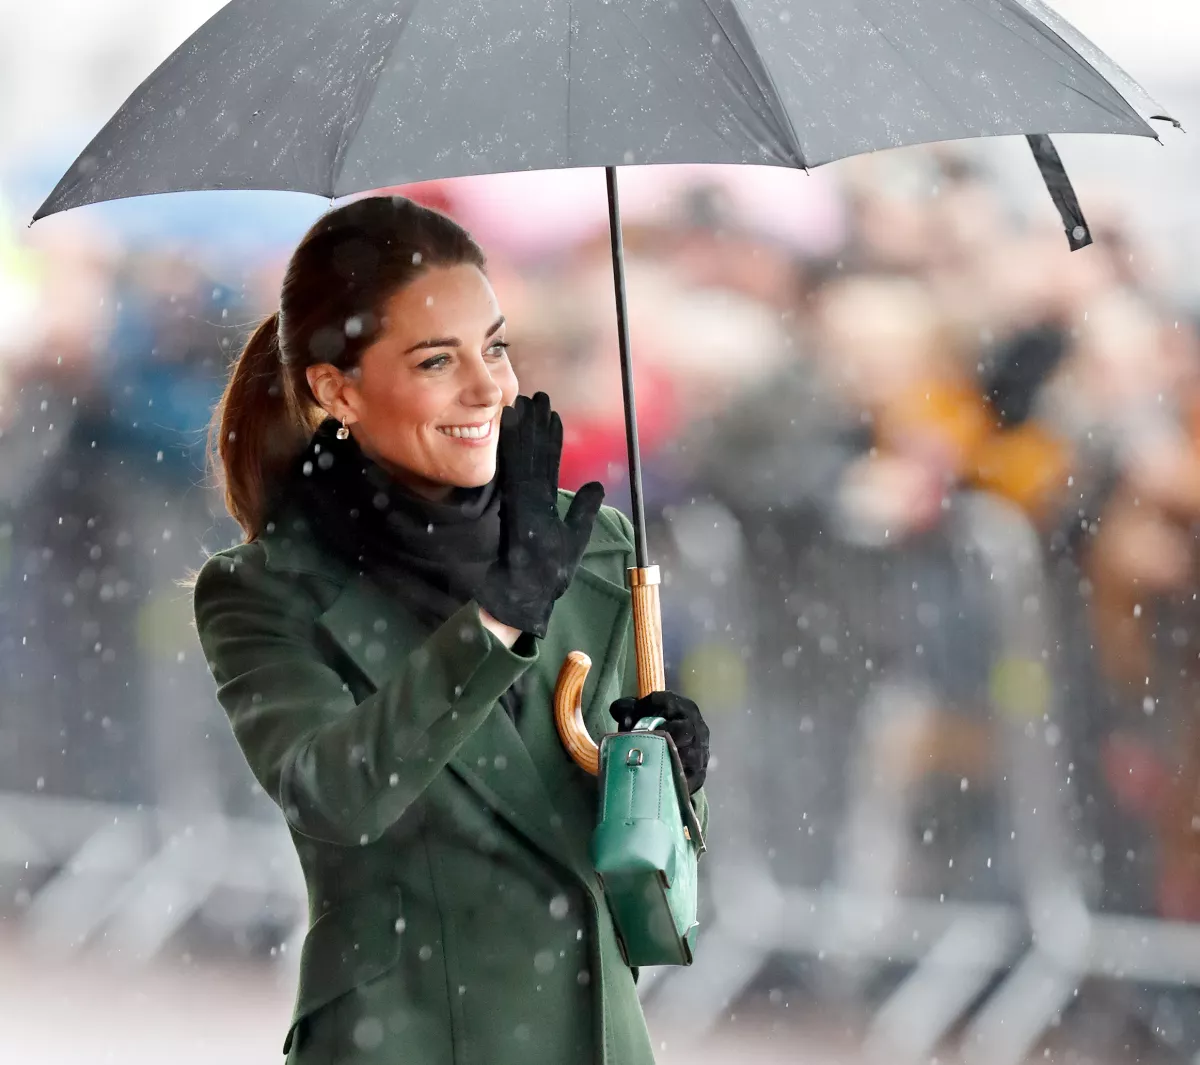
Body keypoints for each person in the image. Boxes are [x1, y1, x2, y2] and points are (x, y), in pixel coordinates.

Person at [192, 195, 710, 1065]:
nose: (489, 388)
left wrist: (671, 783)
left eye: (495, 346)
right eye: (438, 360)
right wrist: (498, 619)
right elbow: (335, 798)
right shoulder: (265, 591)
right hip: (409, 1043)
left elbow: (642, 891)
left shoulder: (590, 549)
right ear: (337, 387)